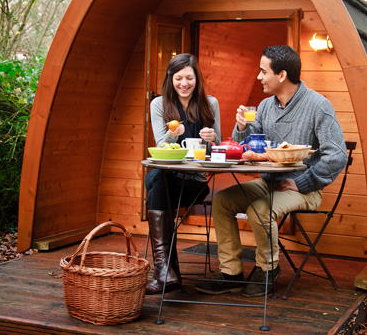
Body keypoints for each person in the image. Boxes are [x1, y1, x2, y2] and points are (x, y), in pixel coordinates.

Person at [195, 45, 348, 297]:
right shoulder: (266, 106)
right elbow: (244, 146)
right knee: (222, 200)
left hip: (304, 189)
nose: (259, 77)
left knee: (260, 210)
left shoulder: (318, 106)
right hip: (269, 183)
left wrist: (305, 182)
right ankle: (231, 273)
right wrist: (243, 127)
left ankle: (268, 270)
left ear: (281, 75)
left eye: (262, 71)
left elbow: (337, 155)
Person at [145, 53, 221, 294]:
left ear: (196, 79)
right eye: (178, 78)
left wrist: (212, 139)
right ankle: (165, 271)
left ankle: (164, 272)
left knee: (154, 183)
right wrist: (172, 134)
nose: (184, 83)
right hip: (169, 175)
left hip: (195, 182)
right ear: (171, 79)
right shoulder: (159, 104)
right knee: (160, 178)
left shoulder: (211, 104)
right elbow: (160, 146)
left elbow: (216, 149)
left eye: (189, 77)